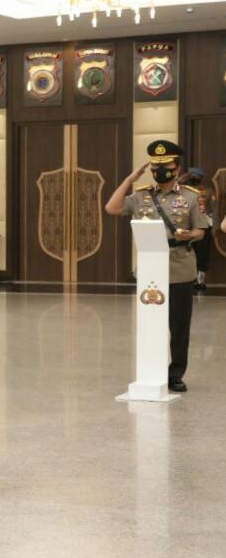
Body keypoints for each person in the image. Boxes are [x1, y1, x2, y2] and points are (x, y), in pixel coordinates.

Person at [106, 141, 209, 392]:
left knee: (179, 326)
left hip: (180, 266)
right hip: (150, 269)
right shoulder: (141, 195)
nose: (160, 170)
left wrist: (190, 235)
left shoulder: (190, 196)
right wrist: (130, 179)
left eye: (166, 166)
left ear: (177, 168)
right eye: (155, 166)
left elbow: (201, 230)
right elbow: (112, 207)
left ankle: (175, 373)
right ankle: (151, 370)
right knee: (150, 323)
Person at [181, 168, 214, 293]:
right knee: (188, 251)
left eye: (196, 176)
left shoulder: (207, 190)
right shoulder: (182, 189)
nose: (194, 178)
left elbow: (211, 207)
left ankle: (200, 280)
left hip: (203, 224)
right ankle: (190, 279)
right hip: (186, 224)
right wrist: (181, 179)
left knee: (202, 252)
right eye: (192, 176)